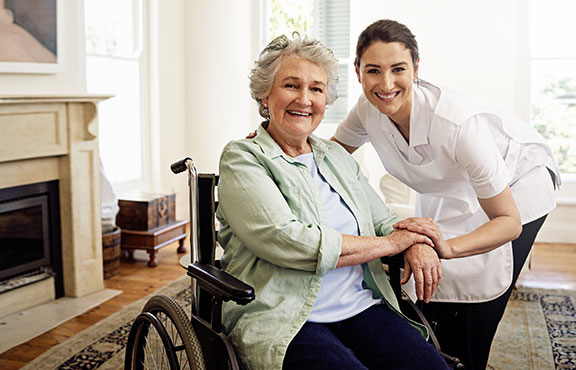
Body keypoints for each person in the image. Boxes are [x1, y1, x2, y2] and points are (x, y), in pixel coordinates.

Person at [332, 19, 561, 370]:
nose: (386, 83)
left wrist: (448, 246)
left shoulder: (457, 125)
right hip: (455, 187)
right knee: (428, 282)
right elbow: (329, 156)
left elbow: (508, 221)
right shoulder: (367, 109)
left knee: (482, 283)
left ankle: (469, 360)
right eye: (373, 70)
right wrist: (275, 141)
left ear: (416, 69)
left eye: (398, 69)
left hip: (519, 182)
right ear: (358, 72)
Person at [216, 33, 448, 370]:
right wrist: (390, 243)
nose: (305, 99)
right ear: (265, 96)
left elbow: (383, 220)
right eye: (291, 86)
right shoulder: (243, 158)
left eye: (316, 89)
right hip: (285, 317)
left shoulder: (335, 156)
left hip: (360, 306)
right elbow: (289, 241)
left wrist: (415, 243)